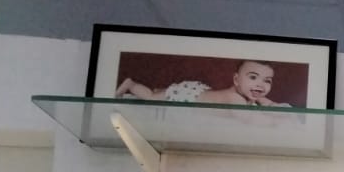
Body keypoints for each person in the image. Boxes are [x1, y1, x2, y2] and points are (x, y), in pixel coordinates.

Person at [116, 60, 290, 106]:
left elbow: (270, 103)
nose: (260, 85)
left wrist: (276, 107)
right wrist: (273, 121)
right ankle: (130, 85)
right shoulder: (235, 99)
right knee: (152, 98)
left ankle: (160, 91)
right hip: (189, 97)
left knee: (161, 94)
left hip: (200, 91)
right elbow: (251, 121)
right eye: (253, 77)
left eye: (267, 81)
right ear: (236, 80)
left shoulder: (251, 95)